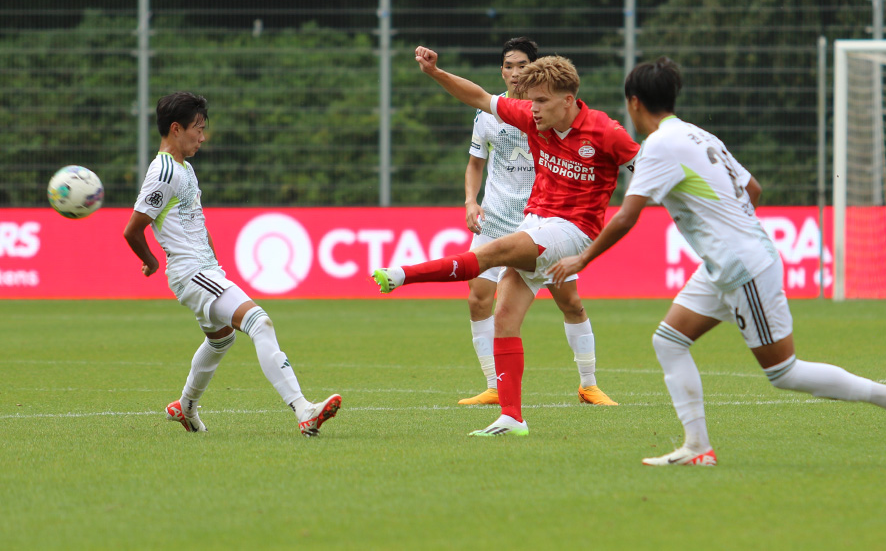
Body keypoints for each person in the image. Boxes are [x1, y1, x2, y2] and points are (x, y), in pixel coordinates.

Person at [548, 57, 886, 465]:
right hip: (725, 264)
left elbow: (627, 214)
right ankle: (697, 447)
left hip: (742, 266)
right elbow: (754, 189)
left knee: (784, 373)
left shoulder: (658, 145)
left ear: (634, 103)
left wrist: (582, 258)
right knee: (669, 342)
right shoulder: (698, 135)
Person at [372, 48, 640, 437]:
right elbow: (479, 97)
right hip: (537, 222)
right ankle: (512, 417)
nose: (532, 110)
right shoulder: (532, 116)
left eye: (541, 101)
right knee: (504, 317)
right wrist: (434, 73)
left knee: (492, 254)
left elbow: (648, 173)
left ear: (568, 101)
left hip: (573, 231)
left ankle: (402, 275)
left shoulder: (606, 131)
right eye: (531, 101)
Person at [122, 91, 341, 436]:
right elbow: (133, 229)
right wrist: (150, 262)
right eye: (198, 128)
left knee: (221, 339)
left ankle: (186, 407)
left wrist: (213, 260)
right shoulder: (163, 171)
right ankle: (304, 410)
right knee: (260, 322)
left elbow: (193, 219)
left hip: (205, 270)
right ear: (175, 129)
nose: (202, 137)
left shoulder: (185, 168)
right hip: (192, 272)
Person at [459, 36, 617, 407]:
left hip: (543, 224)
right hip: (496, 221)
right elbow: (474, 164)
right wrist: (470, 200)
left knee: (571, 303)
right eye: (507, 65)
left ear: (532, 71)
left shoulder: (547, 113)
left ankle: (589, 384)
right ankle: (495, 387)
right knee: (478, 299)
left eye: (520, 66)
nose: (513, 73)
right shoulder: (488, 115)